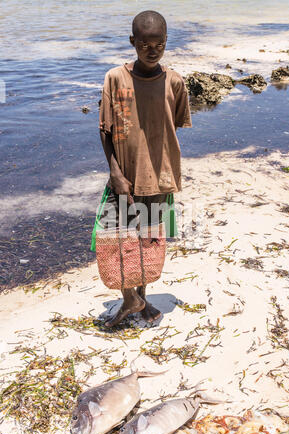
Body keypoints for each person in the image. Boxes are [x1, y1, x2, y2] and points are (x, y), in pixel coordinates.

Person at [98, 10, 192, 328]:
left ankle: (141, 297)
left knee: (148, 242)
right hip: (122, 178)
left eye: (159, 43)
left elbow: (172, 124)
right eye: (145, 43)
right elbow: (105, 130)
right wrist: (116, 172)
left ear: (166, 42)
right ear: (132, 42)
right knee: (113, 238)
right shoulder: (115, 78)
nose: (152, 50)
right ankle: (128, 298)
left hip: (158, 179)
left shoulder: (175, 81)